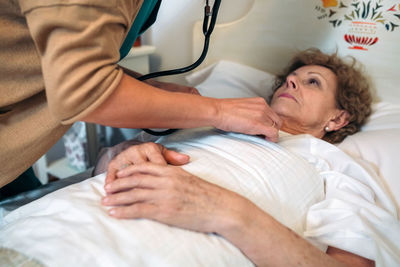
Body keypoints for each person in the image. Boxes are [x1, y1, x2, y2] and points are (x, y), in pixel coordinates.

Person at [100, 49, 378, 266]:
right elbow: (100, 166)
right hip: (91, 214)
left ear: (338, 118)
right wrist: (121, 155)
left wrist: (227, 211)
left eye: (313, 82)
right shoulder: (204, 119)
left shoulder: (337, 167)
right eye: (289, 78)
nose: (290, 80)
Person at [0, 1, 280, 196]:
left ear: (327, 121)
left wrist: (149, 88)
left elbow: (65, 60)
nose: (292, 82)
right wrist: (217, 111)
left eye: (314, 81)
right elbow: (83, 88)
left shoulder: (320, 159)